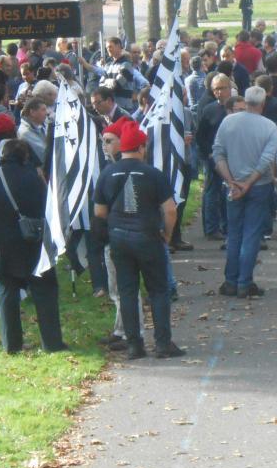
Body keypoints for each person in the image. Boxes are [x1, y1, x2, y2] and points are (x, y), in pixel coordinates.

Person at [0, 139, 67, 354]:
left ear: (3, 157)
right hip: (33, 245)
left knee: (7, 296)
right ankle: (52, 343)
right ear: (24, 157)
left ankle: (11, 345)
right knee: (45, 293)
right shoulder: (35, 180)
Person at [93, 122, 184, 359]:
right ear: (142, 147)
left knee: (127, 291)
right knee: (158, 290)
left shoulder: (107, 174)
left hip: (119, 239)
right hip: (148, 236)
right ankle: (163, 343)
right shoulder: (153, 174)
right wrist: (168, 234)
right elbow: (170, 210)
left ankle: (134, 345)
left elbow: (99, 212)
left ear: (122, 147)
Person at [213, 86, 277, 298]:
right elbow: (266, 159)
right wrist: (248, 183)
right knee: (252, 233)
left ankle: (231, 280)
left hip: (233, 184)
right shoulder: (268, 126)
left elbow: (218, 153)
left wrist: (231, 181)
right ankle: (244, 282)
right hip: (258, 186)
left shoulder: (228, 122)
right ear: (262, 103)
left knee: (234, 233)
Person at [195, 74, 233, 240]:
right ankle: (212, 228)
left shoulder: (236, 107)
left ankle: (228, 226)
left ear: (229, 88)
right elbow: (200, 135)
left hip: (233, 157)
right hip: (213, 158)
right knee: (212, 193)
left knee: (229, 193)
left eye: (221, 88)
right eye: (215, 89)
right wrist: (208, 154)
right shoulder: (209, 110)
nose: (218, 92)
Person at [17, 98, 50, 167]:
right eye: (43, 110)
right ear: (32, 112)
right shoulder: (25, 132)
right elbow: (44, 153)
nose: (46, 113)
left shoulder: (42, 124)